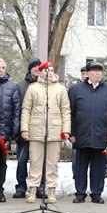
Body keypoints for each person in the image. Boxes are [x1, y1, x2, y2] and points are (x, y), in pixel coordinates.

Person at [68, 60, 107, 203]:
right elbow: (70, 113)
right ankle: (80, 192)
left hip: (101, 135)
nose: (98, 73)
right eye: (95, 71)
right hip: (81, 135)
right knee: (80, 166)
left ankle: (96, 193)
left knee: (98, 166)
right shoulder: (76, 90)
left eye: (100, 71)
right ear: (88, 74)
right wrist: (71, 133)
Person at [19, 62, 71, 202]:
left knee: (52, 163)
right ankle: (33, 190)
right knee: (35, 161)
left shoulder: (60, 89)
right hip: (36, 130)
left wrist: (66, 130)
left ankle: (52, 190)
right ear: (40, 72)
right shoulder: (33, 88)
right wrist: (25, 129)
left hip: (54, 130)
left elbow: (65, 111)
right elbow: (26, 110)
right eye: (46, 71)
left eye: (51, 71)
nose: (49, 73)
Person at [0, 58, 24, 201]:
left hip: (5, 131)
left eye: (3, 67)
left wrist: (14, 131)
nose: (1, 70)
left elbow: (16, 110)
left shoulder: (12, 87)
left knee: (2, 162)